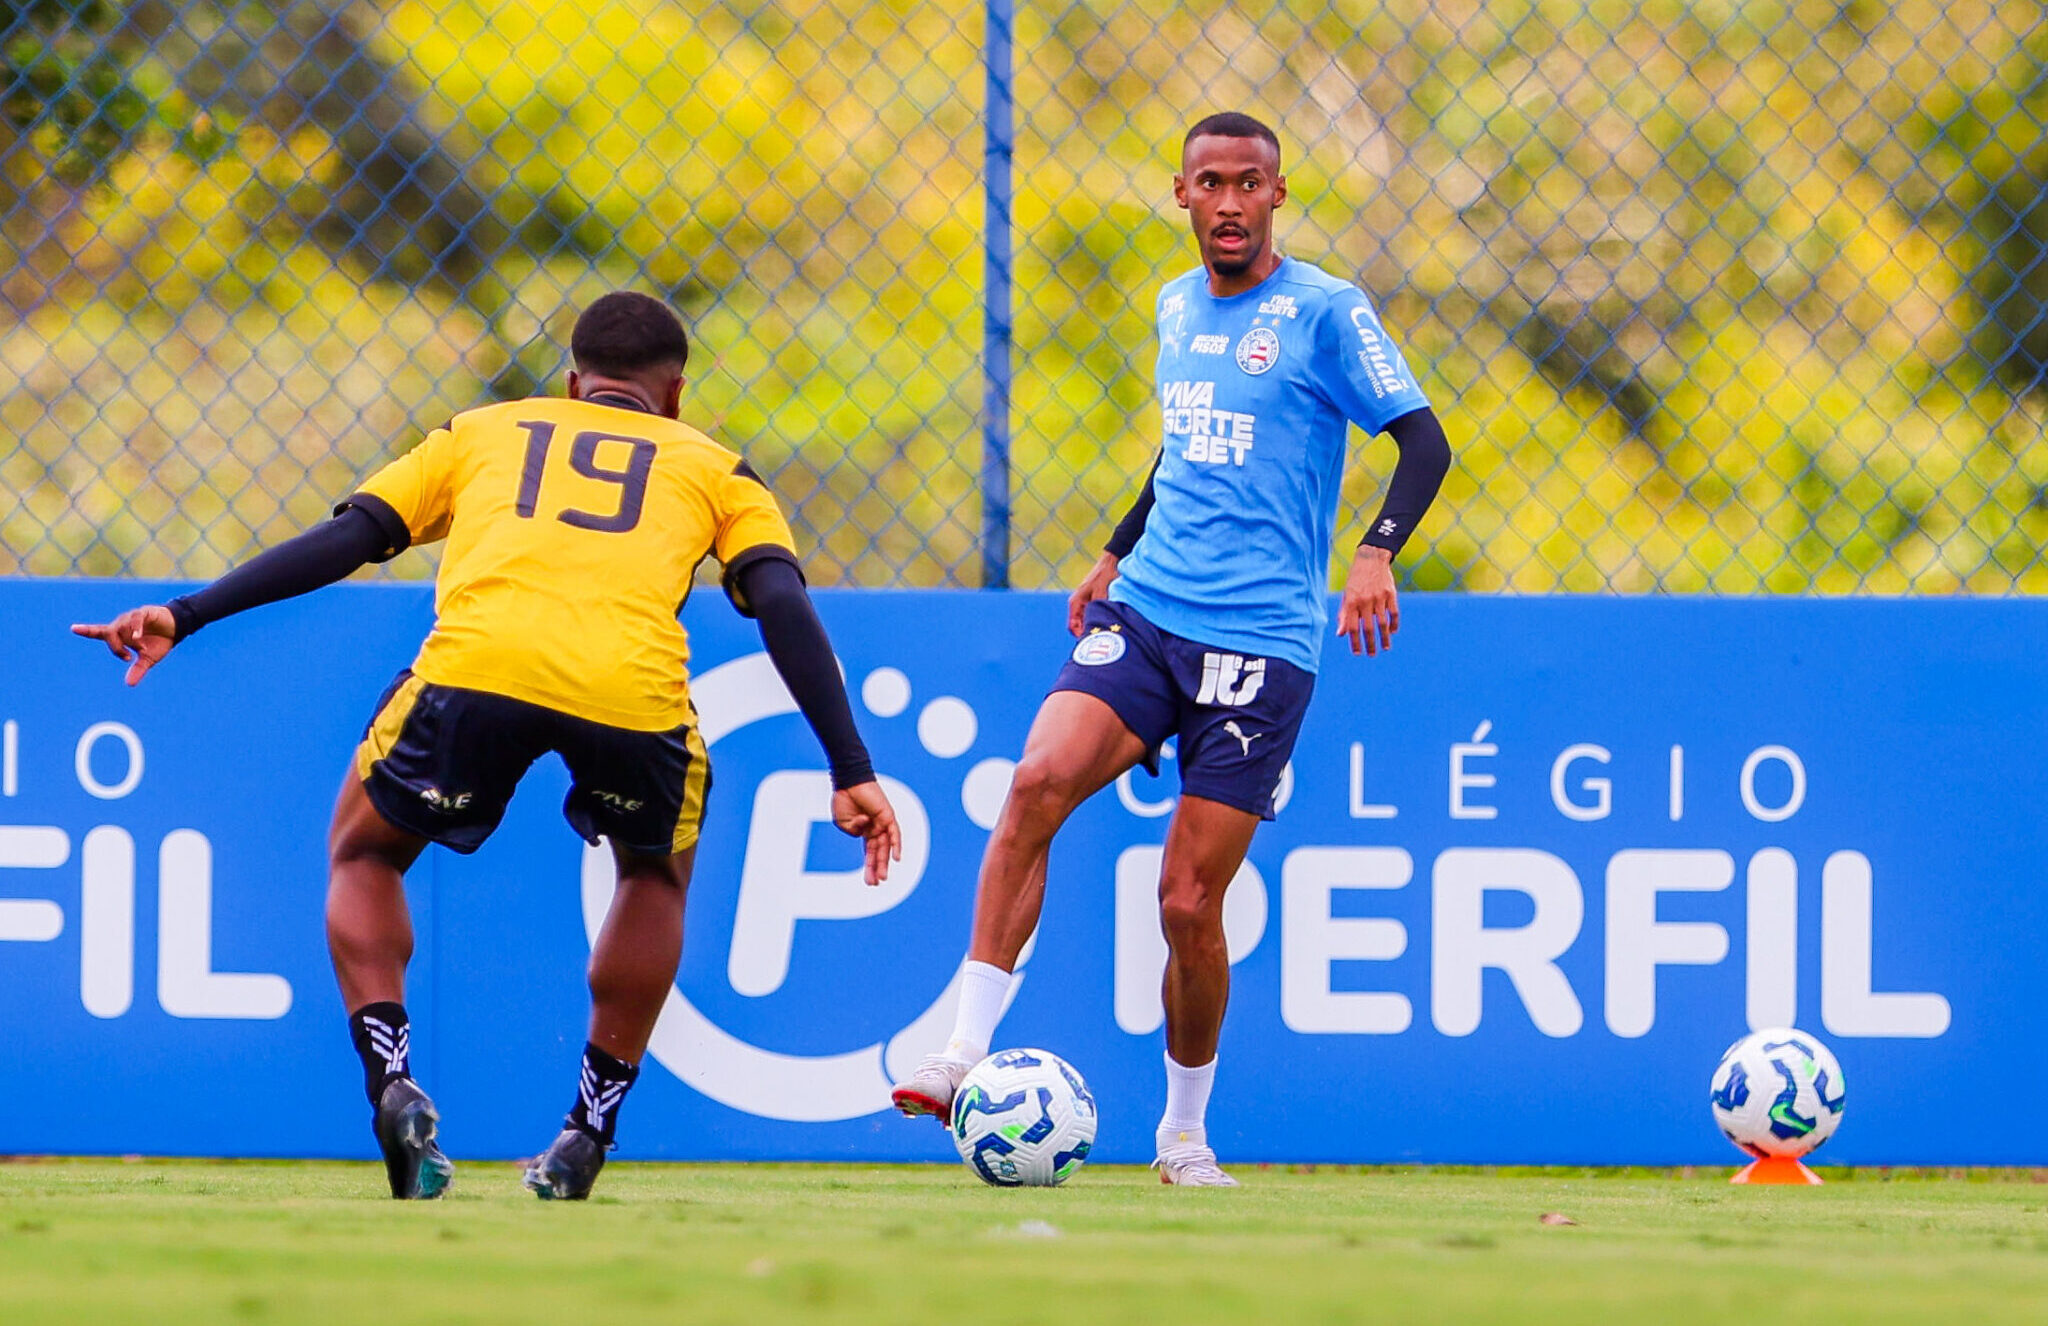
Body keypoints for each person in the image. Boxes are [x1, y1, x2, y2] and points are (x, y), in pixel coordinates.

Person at [73, 292, 901, 1201]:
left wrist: (187, 614)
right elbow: (779, 600)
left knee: (365, 852)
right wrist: (850, 768)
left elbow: (349, 539)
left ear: (573, 383)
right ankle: (588, 1130)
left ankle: (392, 1081)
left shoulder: (480, 432)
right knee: (652, 877)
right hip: (629, 692)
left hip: (476, 672)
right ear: (674, 396)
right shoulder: (715, 467)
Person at [889, 113, 1451, 1185]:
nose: (1230, 202)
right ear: (1182, 195)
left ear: (1276, 196)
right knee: (1035, 782)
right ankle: (958, 1053)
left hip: (1260, 643)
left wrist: (1376, 551)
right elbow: (1184, 447)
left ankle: (1183, 1134)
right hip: (1148, 613)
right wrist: (1113, 551)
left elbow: (1423, 440)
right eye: (1211, 183)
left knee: (1186, 904)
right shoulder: (1174, 305)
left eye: (1250, 183)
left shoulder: (1324, 312)